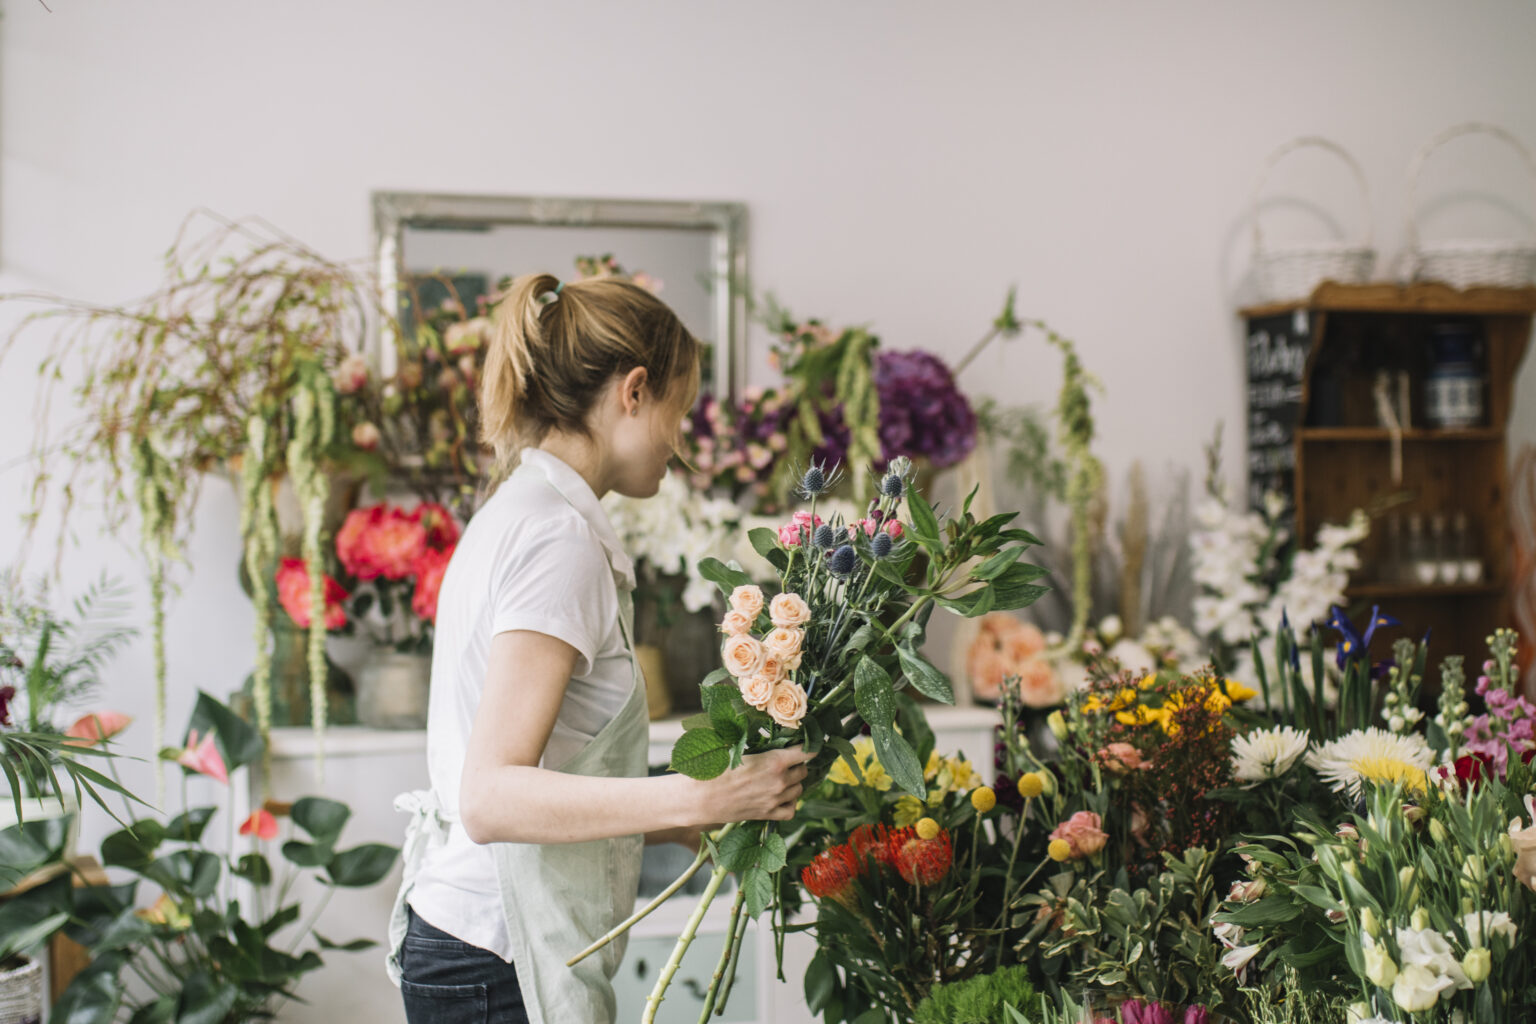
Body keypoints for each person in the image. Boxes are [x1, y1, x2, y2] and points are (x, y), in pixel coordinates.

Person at [386, 272, 806, 1024]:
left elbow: (544, 767)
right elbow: (491, 797)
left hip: (477, 948)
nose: (680, 441)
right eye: (680, 409)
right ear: (634, 392)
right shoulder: (557, 538)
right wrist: (705, 794)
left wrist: (676, 822)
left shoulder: (524, 509)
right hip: (496, 959)